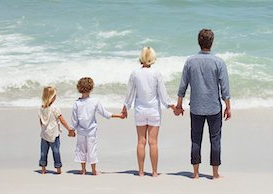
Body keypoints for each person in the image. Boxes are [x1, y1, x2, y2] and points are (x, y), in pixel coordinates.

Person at [175, 29, 231, 179]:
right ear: (212, 42)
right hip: (214, 108)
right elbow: (224, 87)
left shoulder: (190, 61)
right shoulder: (219, 62)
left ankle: (195, 173)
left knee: (195, 139)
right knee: (215, 139)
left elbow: (183, 85)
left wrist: (179, 104)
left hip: (196, 107)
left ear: (199, 42)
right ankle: (215, 174)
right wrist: (228, 107)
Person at [122, 47, 176, 177]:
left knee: (141, 142)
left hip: (140, 110)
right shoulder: (156, 73)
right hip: (153, 112)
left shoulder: (135, 73)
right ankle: (154, 172)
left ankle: (140, 172)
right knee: (153, 143)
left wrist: (125, 107)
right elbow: (163, 95)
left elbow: (130, 93)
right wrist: (172, 106)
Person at [71, 77, 124, 176]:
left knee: (81, 149)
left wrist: (72, 130)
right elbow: (105, 113)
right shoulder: (95, 101)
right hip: (91, 131)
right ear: (91, 88)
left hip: (80, 131)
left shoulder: (76, 103)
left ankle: (83, 170)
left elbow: (74, 120)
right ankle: (94, 171)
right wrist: (119, 116)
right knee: (92, 150)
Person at [39, 86, 74, 175]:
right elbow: (62, 120)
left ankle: (43, 169)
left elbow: (41, 122)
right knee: (56, 151)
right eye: (55, 96)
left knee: (43, 152)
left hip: (44, 134)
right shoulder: (55, 108)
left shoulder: (42, 108)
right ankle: (58, 169)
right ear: (52, 97)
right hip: (54, 134)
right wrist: (69, 129)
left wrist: (44, 130)